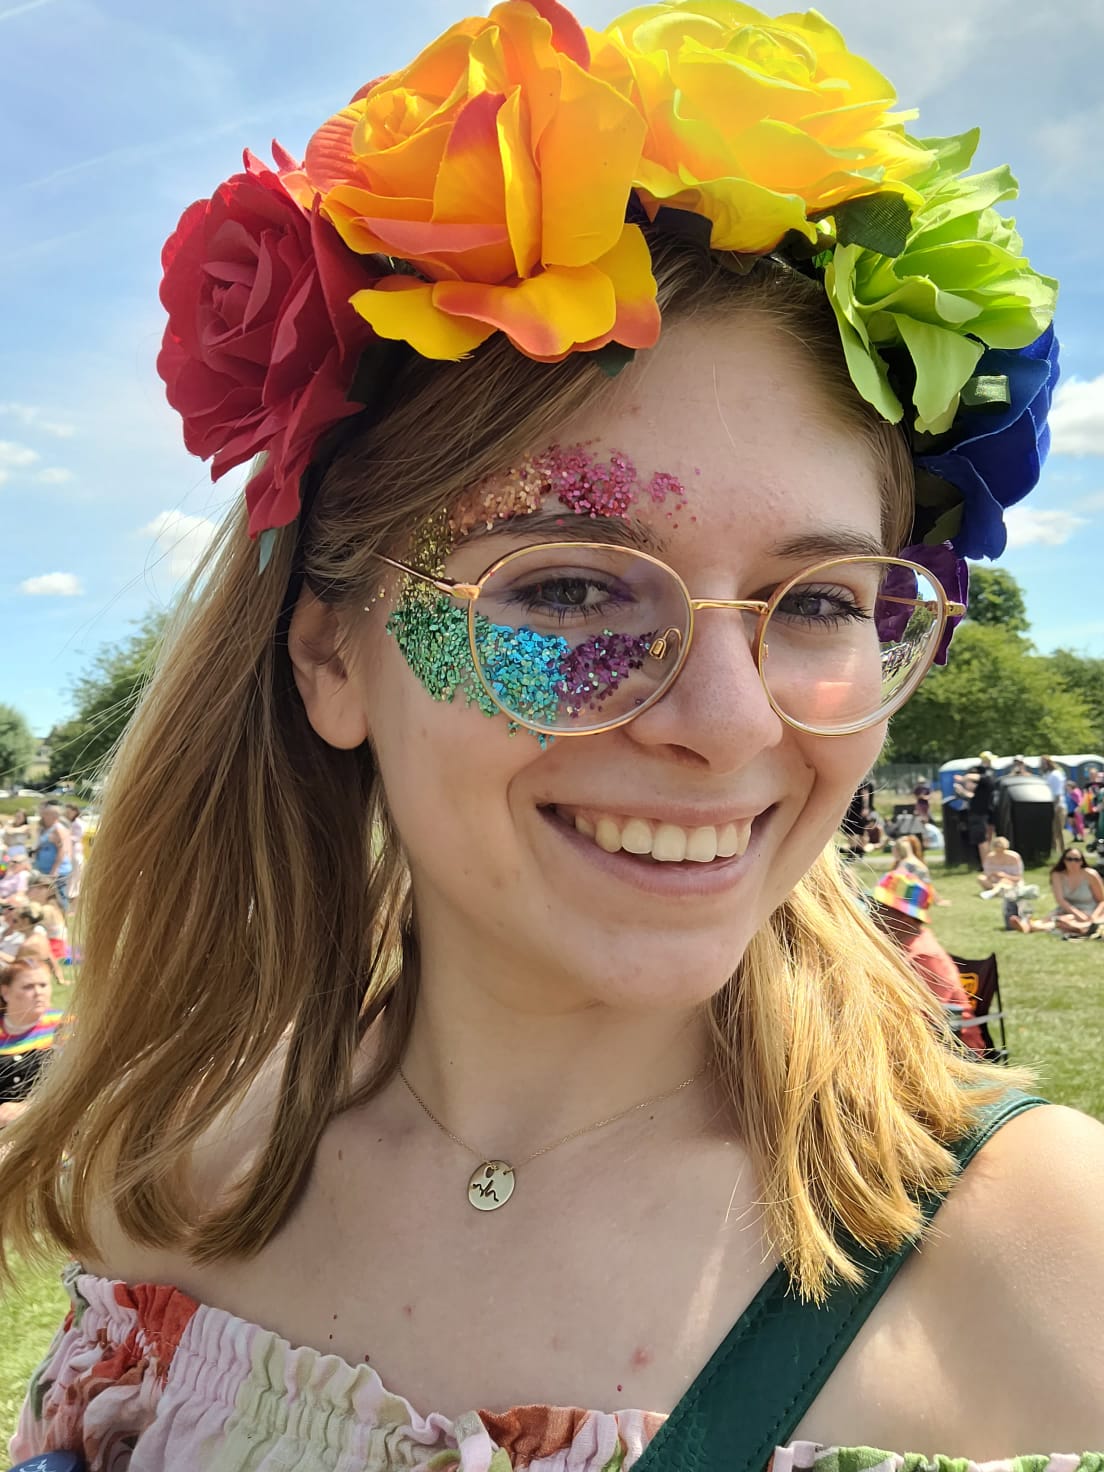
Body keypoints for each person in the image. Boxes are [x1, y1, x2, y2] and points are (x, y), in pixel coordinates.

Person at [3, 5, 1100, 1466]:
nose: (728, 724)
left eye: (824, 599)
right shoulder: (169, 1178)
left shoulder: (1050, 1271)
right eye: (572, 587)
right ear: (330, 655)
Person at [869, 871, 985, 1057]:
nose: (870, 912)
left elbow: (929, 1021)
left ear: (904, 917)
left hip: (955, 1050)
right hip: (911, 1041)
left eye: (878, 906)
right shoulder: (897, 944)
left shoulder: (924, 956)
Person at [0, 956, 62, 1128]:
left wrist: (31, 1106)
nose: (38, 992)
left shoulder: (64, 1025)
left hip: (47, 1122)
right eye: (28, 986)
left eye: (43, 985)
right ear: (5, 992)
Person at [954, 753, 996, 867]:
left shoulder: (987, 776)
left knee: (982, 840)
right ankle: (986, 864)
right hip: (985, 813)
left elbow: (973, 778)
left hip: (980, 814)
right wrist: (962, 791)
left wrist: (963, 778)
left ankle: (986, 865)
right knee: (985, 840)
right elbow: (974, 796)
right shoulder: (984, 784)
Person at [33, 803, 72, 913]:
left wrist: (55, 869)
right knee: (47, 896)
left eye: (46, 814)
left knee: (59, 896)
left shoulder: (58, 829)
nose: (43, 816)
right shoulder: (45, 829)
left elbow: (62, 850)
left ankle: (62, 919)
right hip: (44, 869)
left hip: (57, 870)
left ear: (54, 816)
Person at [25, 872, 68, 966]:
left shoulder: (47, 909)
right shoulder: (52, 905)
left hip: (54, 951)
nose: (27, 892)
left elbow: (25, 924)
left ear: (43, 889)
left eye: (30, 888)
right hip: (56, 949)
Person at [1039, 756, 1068, 854]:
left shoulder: (1055, 775)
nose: (1041, 765)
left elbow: (1057, 794)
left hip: (1057, 806)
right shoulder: (1047, 775)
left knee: (1059, 831)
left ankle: (1064, 852)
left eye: (1043, 763)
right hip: (1049, 805)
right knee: (1051, 832)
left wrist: (1054, 808)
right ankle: (1053, 852)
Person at [64, 803, 85, 903]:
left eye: (69, 812)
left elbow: (77, 837)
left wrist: (66, 837)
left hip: (75, 851)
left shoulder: (77, 823)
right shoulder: (66, 823)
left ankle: (74, 898)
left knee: (75, 875)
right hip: (68, 852)